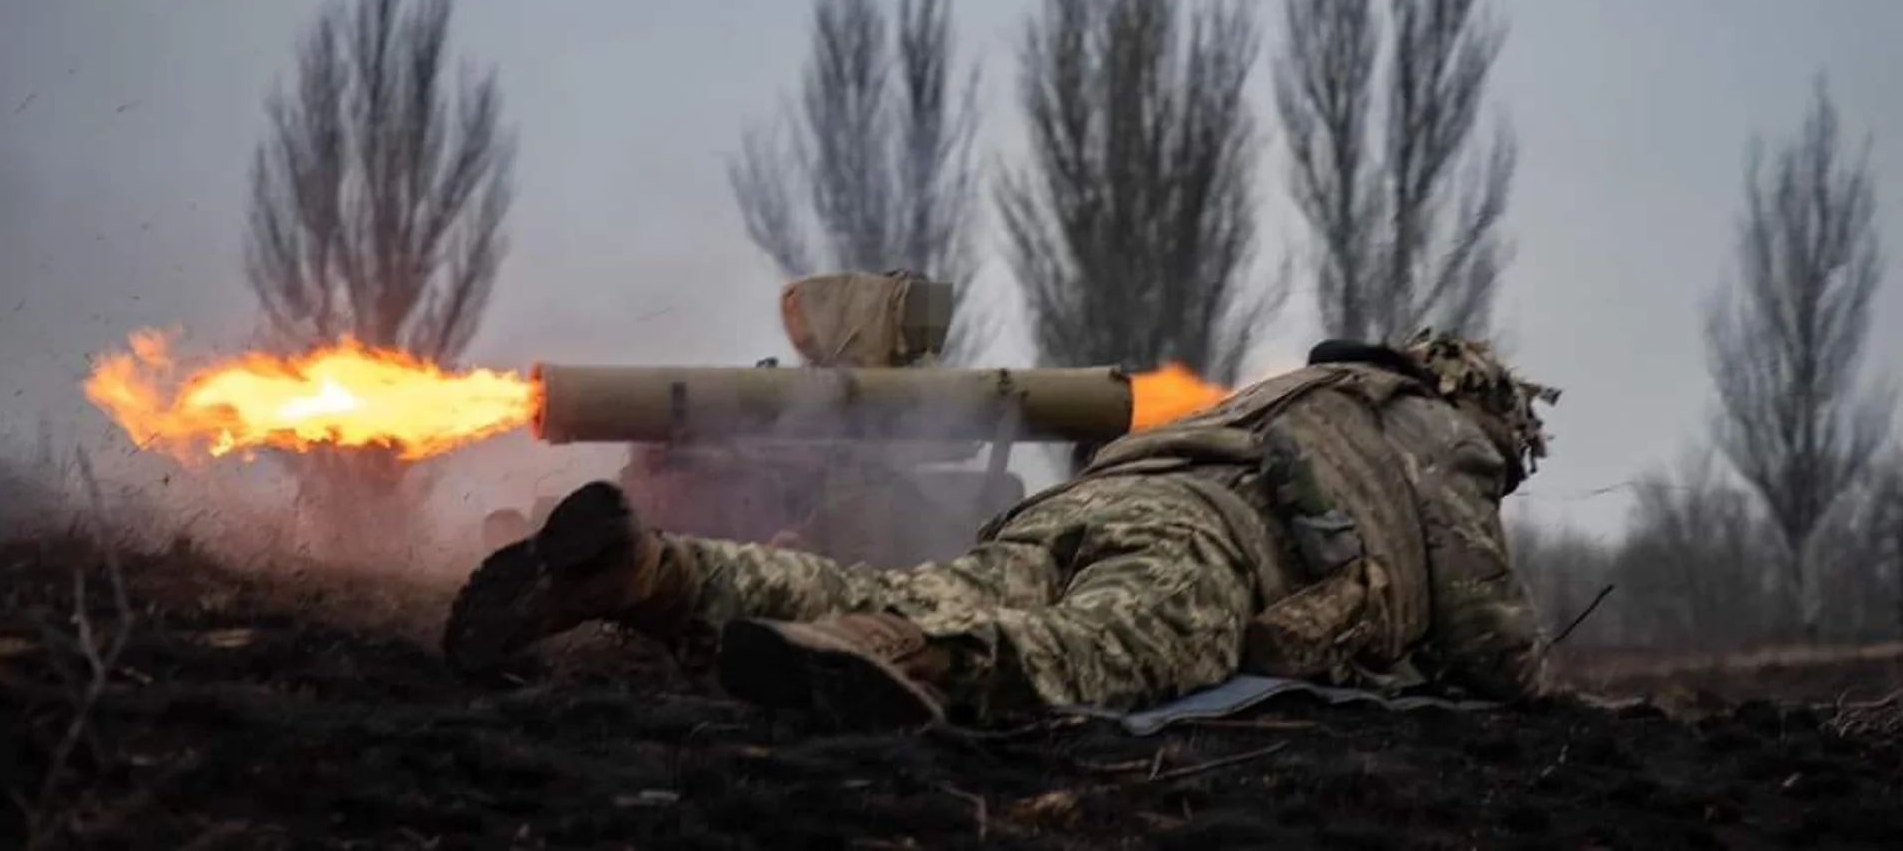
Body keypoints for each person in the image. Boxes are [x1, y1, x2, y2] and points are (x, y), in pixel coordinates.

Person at [442, 330, 1561, 731]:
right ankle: (896, 659)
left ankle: (655, 575)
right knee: (1090, 655)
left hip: (1083, 505)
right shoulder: (1442, 434)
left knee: (938, 584)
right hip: (1204, 547)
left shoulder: (1287, 396)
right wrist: (1535, 681)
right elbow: (1486, 637)